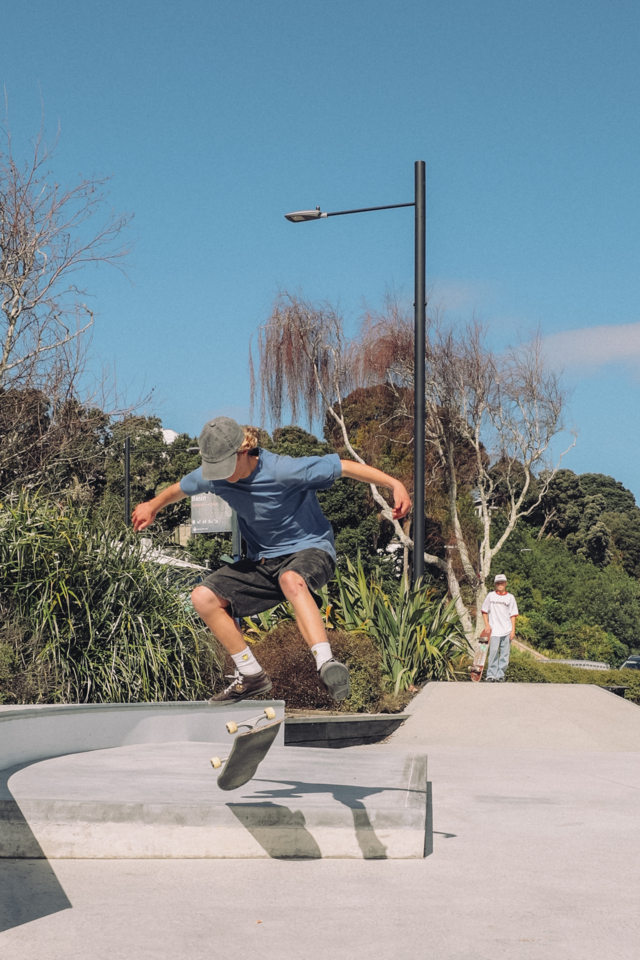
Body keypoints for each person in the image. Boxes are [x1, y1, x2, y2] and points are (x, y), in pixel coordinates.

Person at [132, 417, 412, 703]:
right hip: (264, 562)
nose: (222, 477)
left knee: (291, 579)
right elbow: (178, 488)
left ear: (244, 451)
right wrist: (152, 506)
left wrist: (394, 484)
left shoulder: (282, 469)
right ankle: (250, 674)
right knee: (203, 596)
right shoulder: (211, 476)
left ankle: (327, 663)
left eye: (226, 468)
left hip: (311, 550)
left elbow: (343, 466)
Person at [480, 574, 519, 682]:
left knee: (505, 654)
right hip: (494, 630)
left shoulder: (510, 597)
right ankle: (491, 675)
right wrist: (487, 625)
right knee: (493, 653)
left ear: (506, 584)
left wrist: (513, 631)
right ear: (495, 584)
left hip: (506, 630)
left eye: (502, 583)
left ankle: (500, 674)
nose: (500, 585)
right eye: (498, 583)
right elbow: (484, 611)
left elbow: (513, 615)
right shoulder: (491, 596)